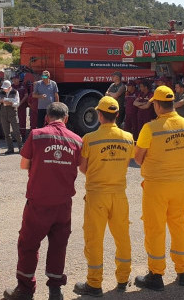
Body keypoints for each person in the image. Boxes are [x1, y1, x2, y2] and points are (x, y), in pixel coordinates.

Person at [4, 102, 82, 300]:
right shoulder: (77, 140)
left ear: (46, 118)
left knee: (28, 244)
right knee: (58, 245)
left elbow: (24, 165)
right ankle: (55, 290)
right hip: (63, 205)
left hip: (38, 203)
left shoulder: (37, 135)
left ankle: (25, 290)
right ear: (66, 119)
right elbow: (82, 167)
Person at [133, 86, 184, 292]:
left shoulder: (150, 128)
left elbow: (138, 157)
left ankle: (156, 274)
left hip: (156, 187)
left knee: (155, 229)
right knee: (178, 227)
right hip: (179, 185)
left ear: (158, 105)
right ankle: (183, 272)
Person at [73, 97, 135, 297]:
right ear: (117, 115)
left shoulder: (90, 138)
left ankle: (94, 283)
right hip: (119, 195)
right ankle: (123, 278)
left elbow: (83, 167)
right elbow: (126, 162)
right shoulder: (128, 137)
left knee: (94, 239)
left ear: (99, 115)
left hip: (97, 195)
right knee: (122, 237)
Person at [0, 80, 23, 154]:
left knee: (16, 131)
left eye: (6, 88)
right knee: (6, 133)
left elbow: (17, 103)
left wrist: (11, 103)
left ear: (10, 87)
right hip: (3, 114)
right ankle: (10, 149)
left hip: (13, 113)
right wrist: (1, 101)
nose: (4, 89)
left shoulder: (15, 92)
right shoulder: (1, 92)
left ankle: (21, 148)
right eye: (4, 88)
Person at [13, 76, 30, 141]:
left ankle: (23, 136)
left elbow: (26, 95)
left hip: (22, 106)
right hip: (14, 106)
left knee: (22, 120)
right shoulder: (11, 87)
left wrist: (20, 103)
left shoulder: (23, 86)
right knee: (15, 121)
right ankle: (16, 136)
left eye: (16, 79)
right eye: (13, 79)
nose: (15, 80)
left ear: (19, 79)